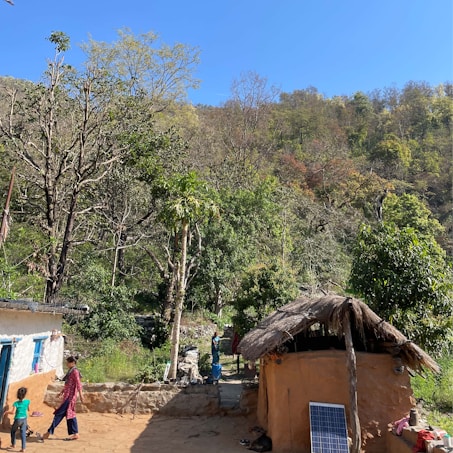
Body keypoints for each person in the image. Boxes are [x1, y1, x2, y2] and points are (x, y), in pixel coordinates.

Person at [42, 356, 84, 441]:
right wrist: (61, 392)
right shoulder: (70, 371)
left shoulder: (75, 372)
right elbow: (69, 384)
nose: (67, 364)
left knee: (59, 414)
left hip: (70, 397)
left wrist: (81, 394)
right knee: (70, 415)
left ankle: (48, 432)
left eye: (68, 362)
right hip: (68, 396)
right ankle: (75, 433)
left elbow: (78, 384)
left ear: (72, 363)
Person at [5, 387, 30, 452]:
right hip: (24, 419)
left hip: (18, 419)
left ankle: (13, 444)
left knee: (13, 431)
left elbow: (13, 412)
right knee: (23, 433)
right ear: (25, 394)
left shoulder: (16, 403)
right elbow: (28, 409)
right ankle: (23, 448)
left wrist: (7, 412)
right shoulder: (27, 401)